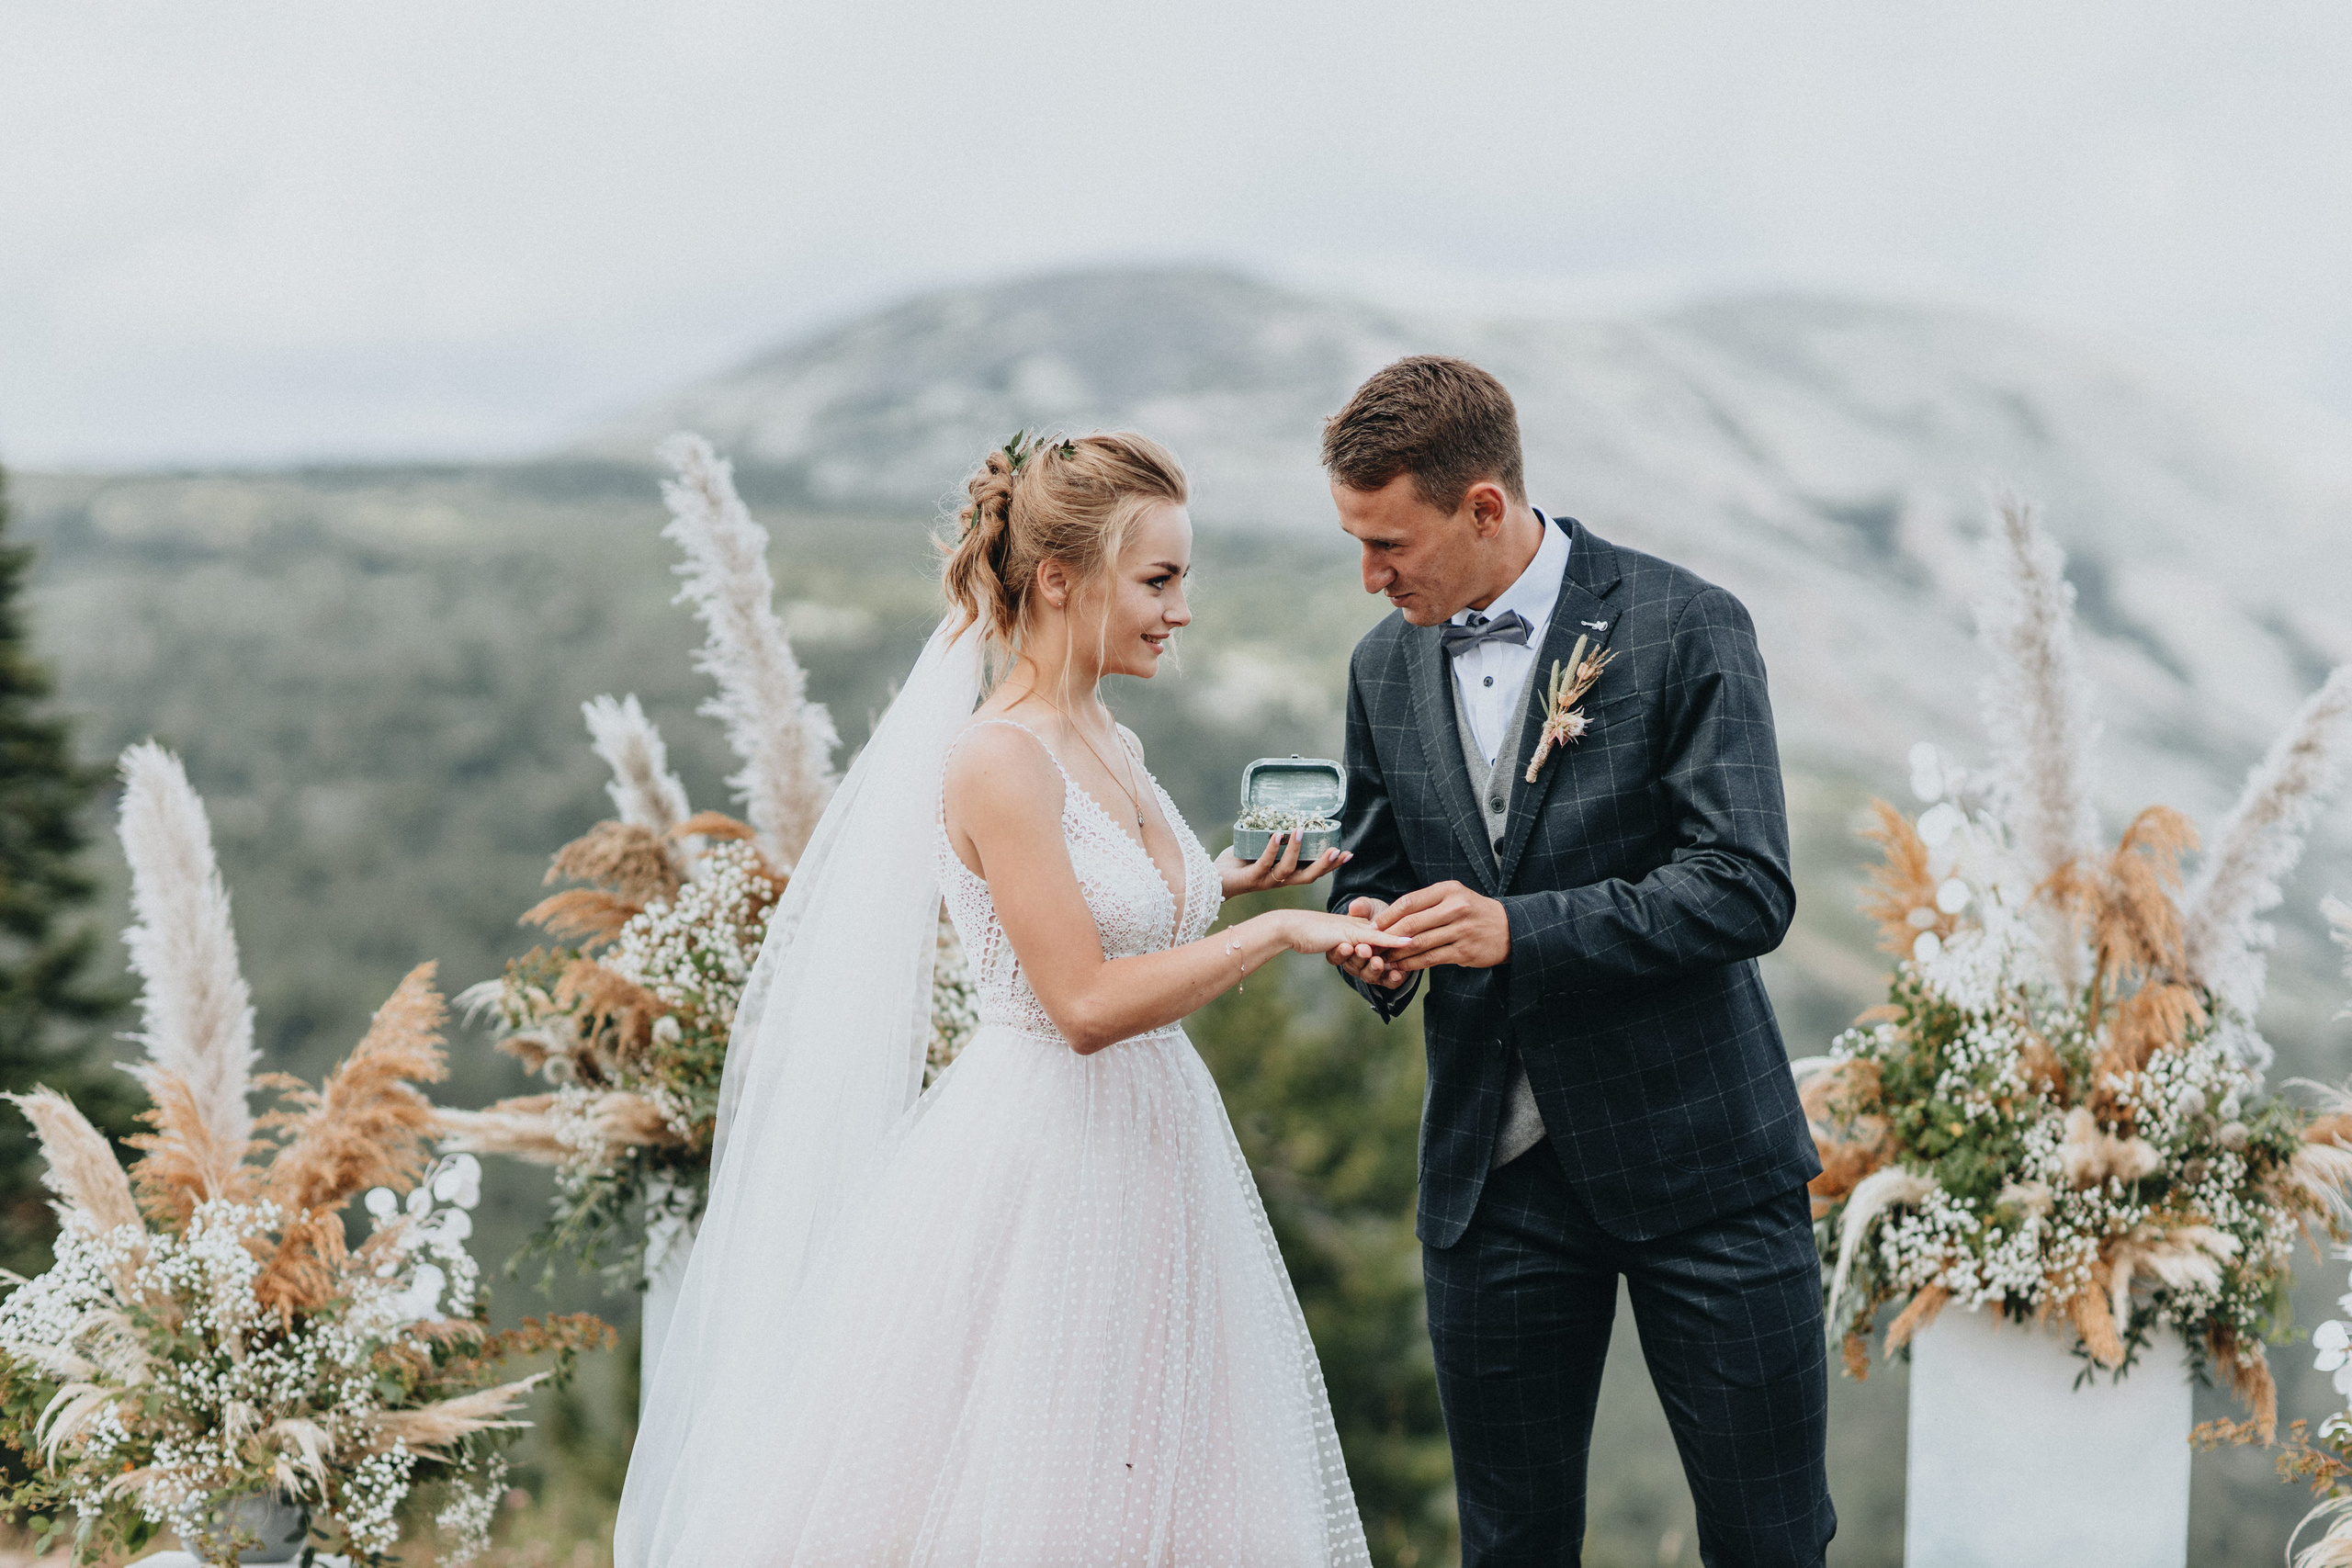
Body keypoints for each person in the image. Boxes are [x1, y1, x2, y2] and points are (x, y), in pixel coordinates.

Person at [615, 431, 1396, 1566]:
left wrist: (1221, 885)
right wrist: (1277, 932)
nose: (1181, 611)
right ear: (1059, 579)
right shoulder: (998, 758)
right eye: (1160, 581)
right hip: (1051, 1167)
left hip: (1158, 1151)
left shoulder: (1106, 735)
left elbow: (1096, 906)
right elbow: (1078, 1002)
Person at [1323, 356, 1838, 1566]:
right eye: (1356, 542)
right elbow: (1370, 864)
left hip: (1707, 1169)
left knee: (1769, 1537)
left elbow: (1746, 884)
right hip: (1491, 1179)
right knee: (1510, 1543)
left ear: (1485, 506)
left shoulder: (1686, 623)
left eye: (1391, 542)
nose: (1371, 574)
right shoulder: (1379, 666)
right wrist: (1373, 940)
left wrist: (1521, 928)